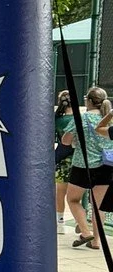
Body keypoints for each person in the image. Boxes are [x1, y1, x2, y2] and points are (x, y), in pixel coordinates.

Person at [62, 86, 112, 248]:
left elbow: (66, 141)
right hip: (106, 166)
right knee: (98, 206)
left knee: (73, 199)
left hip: (83, 165)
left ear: (89, 101)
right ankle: (97, 241)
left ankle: (85, 232)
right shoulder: (109, 118)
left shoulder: (81, 118)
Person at [54, 90, 75, 228]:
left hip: (61, 159)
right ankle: (80, 220)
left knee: (60, 192)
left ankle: (60, 222)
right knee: (78, 195)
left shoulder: (57, 119)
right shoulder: (79, 118)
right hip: (78, 159)